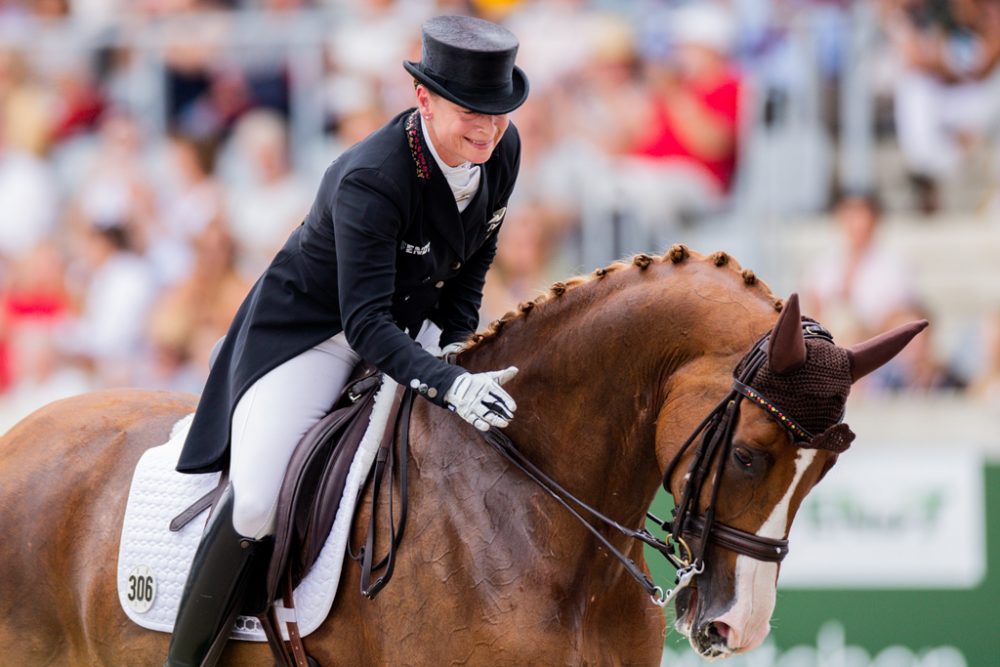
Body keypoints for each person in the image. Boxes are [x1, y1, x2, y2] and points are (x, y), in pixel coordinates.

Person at [165, 15, 528, 666]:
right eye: (471, 111)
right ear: (423, 99)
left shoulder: (501, 149)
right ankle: (189, 656)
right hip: (315, 331)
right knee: (255, 499)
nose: (488, 126)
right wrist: (449, 381)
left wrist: (457, 349)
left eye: (498, 112)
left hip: (407, 325)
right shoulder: (373, 177)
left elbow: (471, 271)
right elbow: (362, 325)